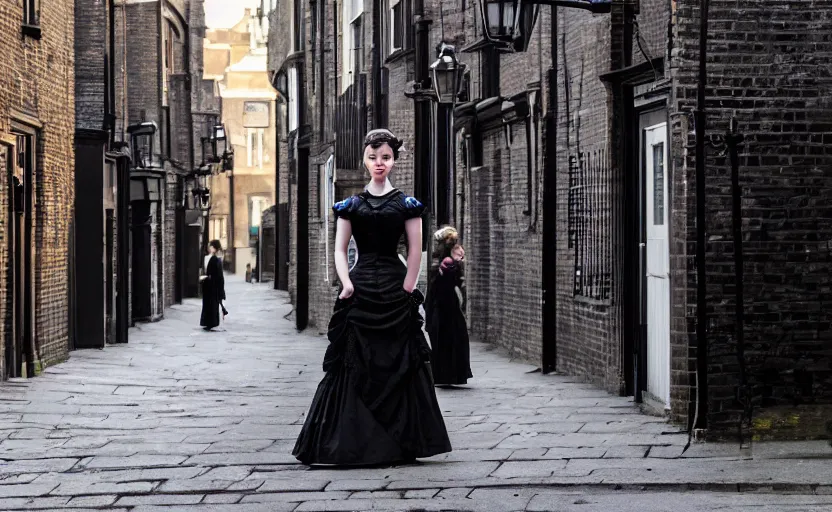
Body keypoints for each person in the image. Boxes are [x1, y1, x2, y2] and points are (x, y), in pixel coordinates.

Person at [293, 129, 452, 466]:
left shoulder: (407, 205)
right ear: (365, 160)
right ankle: (352, 440)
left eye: (385, 157)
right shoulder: (351, 205)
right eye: (373, 157)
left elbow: (414, 249)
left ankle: (398, 440)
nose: (379, 163)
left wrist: (409, 286)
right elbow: (339, 249)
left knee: (400, 359)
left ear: (393, 160)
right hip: (361, 286)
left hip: (395, 287)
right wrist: (346, 283)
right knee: (353, 360)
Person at [425, 227, 472, 387]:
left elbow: (438, 285)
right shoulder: (450, 261)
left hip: (442, 305)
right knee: (450, 339)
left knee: (443, 340)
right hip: (447, 304)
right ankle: (449, 375)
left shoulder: (445, 262)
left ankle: (444, 375)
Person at [200, 240, 226, 331]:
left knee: (212, 304)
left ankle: (211, 323)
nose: (208, 247)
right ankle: (207, 322)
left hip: (213, 286)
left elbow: (219, 276)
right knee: (207, 304)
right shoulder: (207, 258)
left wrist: (221, 290)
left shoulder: (216, 259)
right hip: (207, 285)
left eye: (210, 246)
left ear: (214, 248)